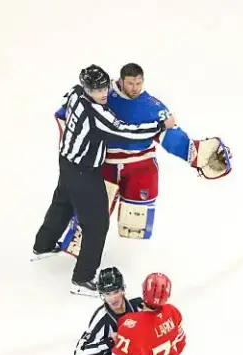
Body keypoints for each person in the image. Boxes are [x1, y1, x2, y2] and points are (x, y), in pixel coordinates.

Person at [57, 63, 231, 255]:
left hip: (140, 167)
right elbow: (69, 114)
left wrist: (197, 154)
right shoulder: (104, 95)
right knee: (89, 214)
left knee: (134, 225)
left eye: (138, 83)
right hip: (104, 165)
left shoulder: (151, 106)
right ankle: (74, 247)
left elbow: (170, 136)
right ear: (121, 81)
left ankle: (129, 260)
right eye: (130, 83)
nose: (135, 88)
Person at [32, 65, 176, 297]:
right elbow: (125, 132)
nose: (102, 94)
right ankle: (83, 278)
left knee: (62, 202)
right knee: (97, 224)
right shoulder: (95, 111)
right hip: (84, 171)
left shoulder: (75, 93)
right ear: (87, 89)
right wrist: (160, 126)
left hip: (67, 161)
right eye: (96, 90)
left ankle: (43, 245)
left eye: (103, 87)